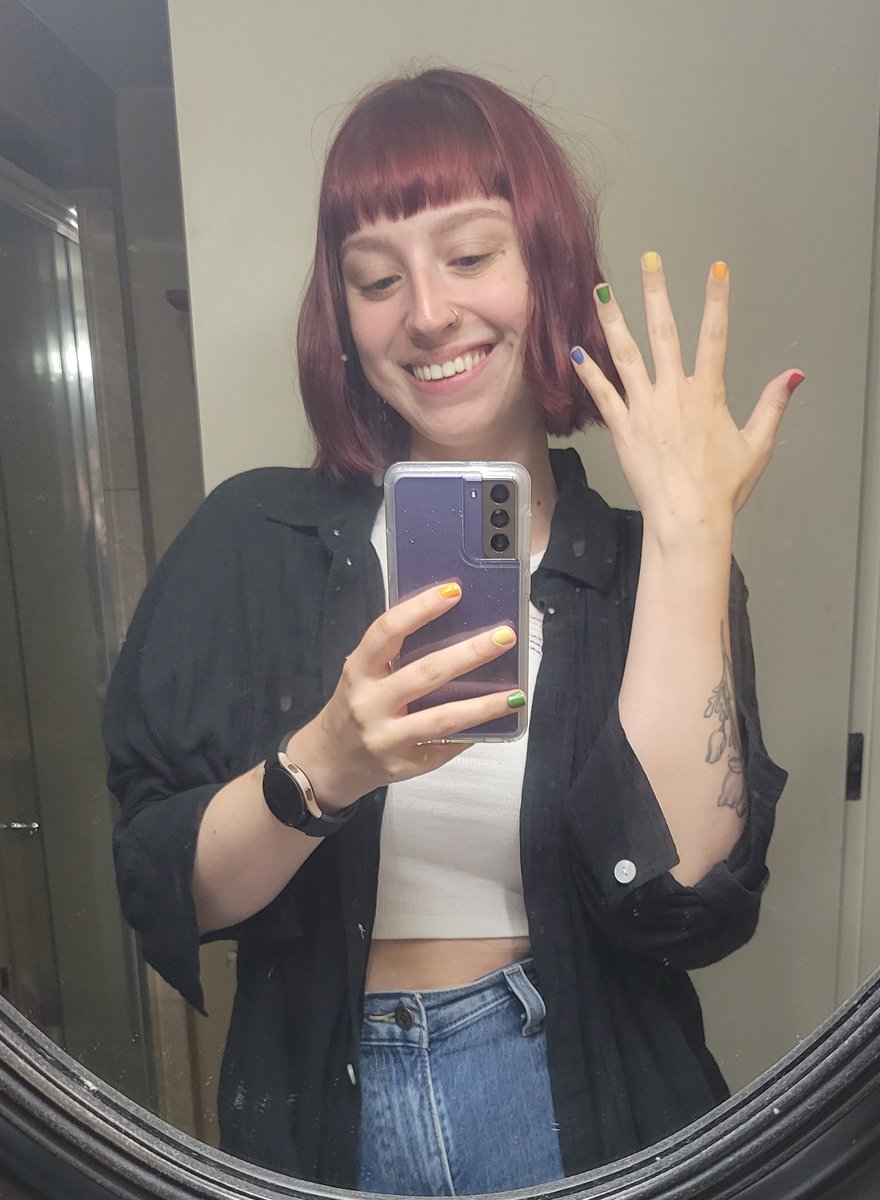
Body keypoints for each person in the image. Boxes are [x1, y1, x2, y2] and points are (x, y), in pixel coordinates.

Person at [104, 68, 792, 1196]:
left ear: (550, 267)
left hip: (576, 1101)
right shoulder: (249, 535)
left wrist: (685, 537)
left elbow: (686, 901)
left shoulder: (638, 562)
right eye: (376, 278)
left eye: (471, 257)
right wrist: (320, 769)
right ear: (343, 312)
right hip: (322, 1114)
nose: (425, 312)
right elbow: (165, 889)